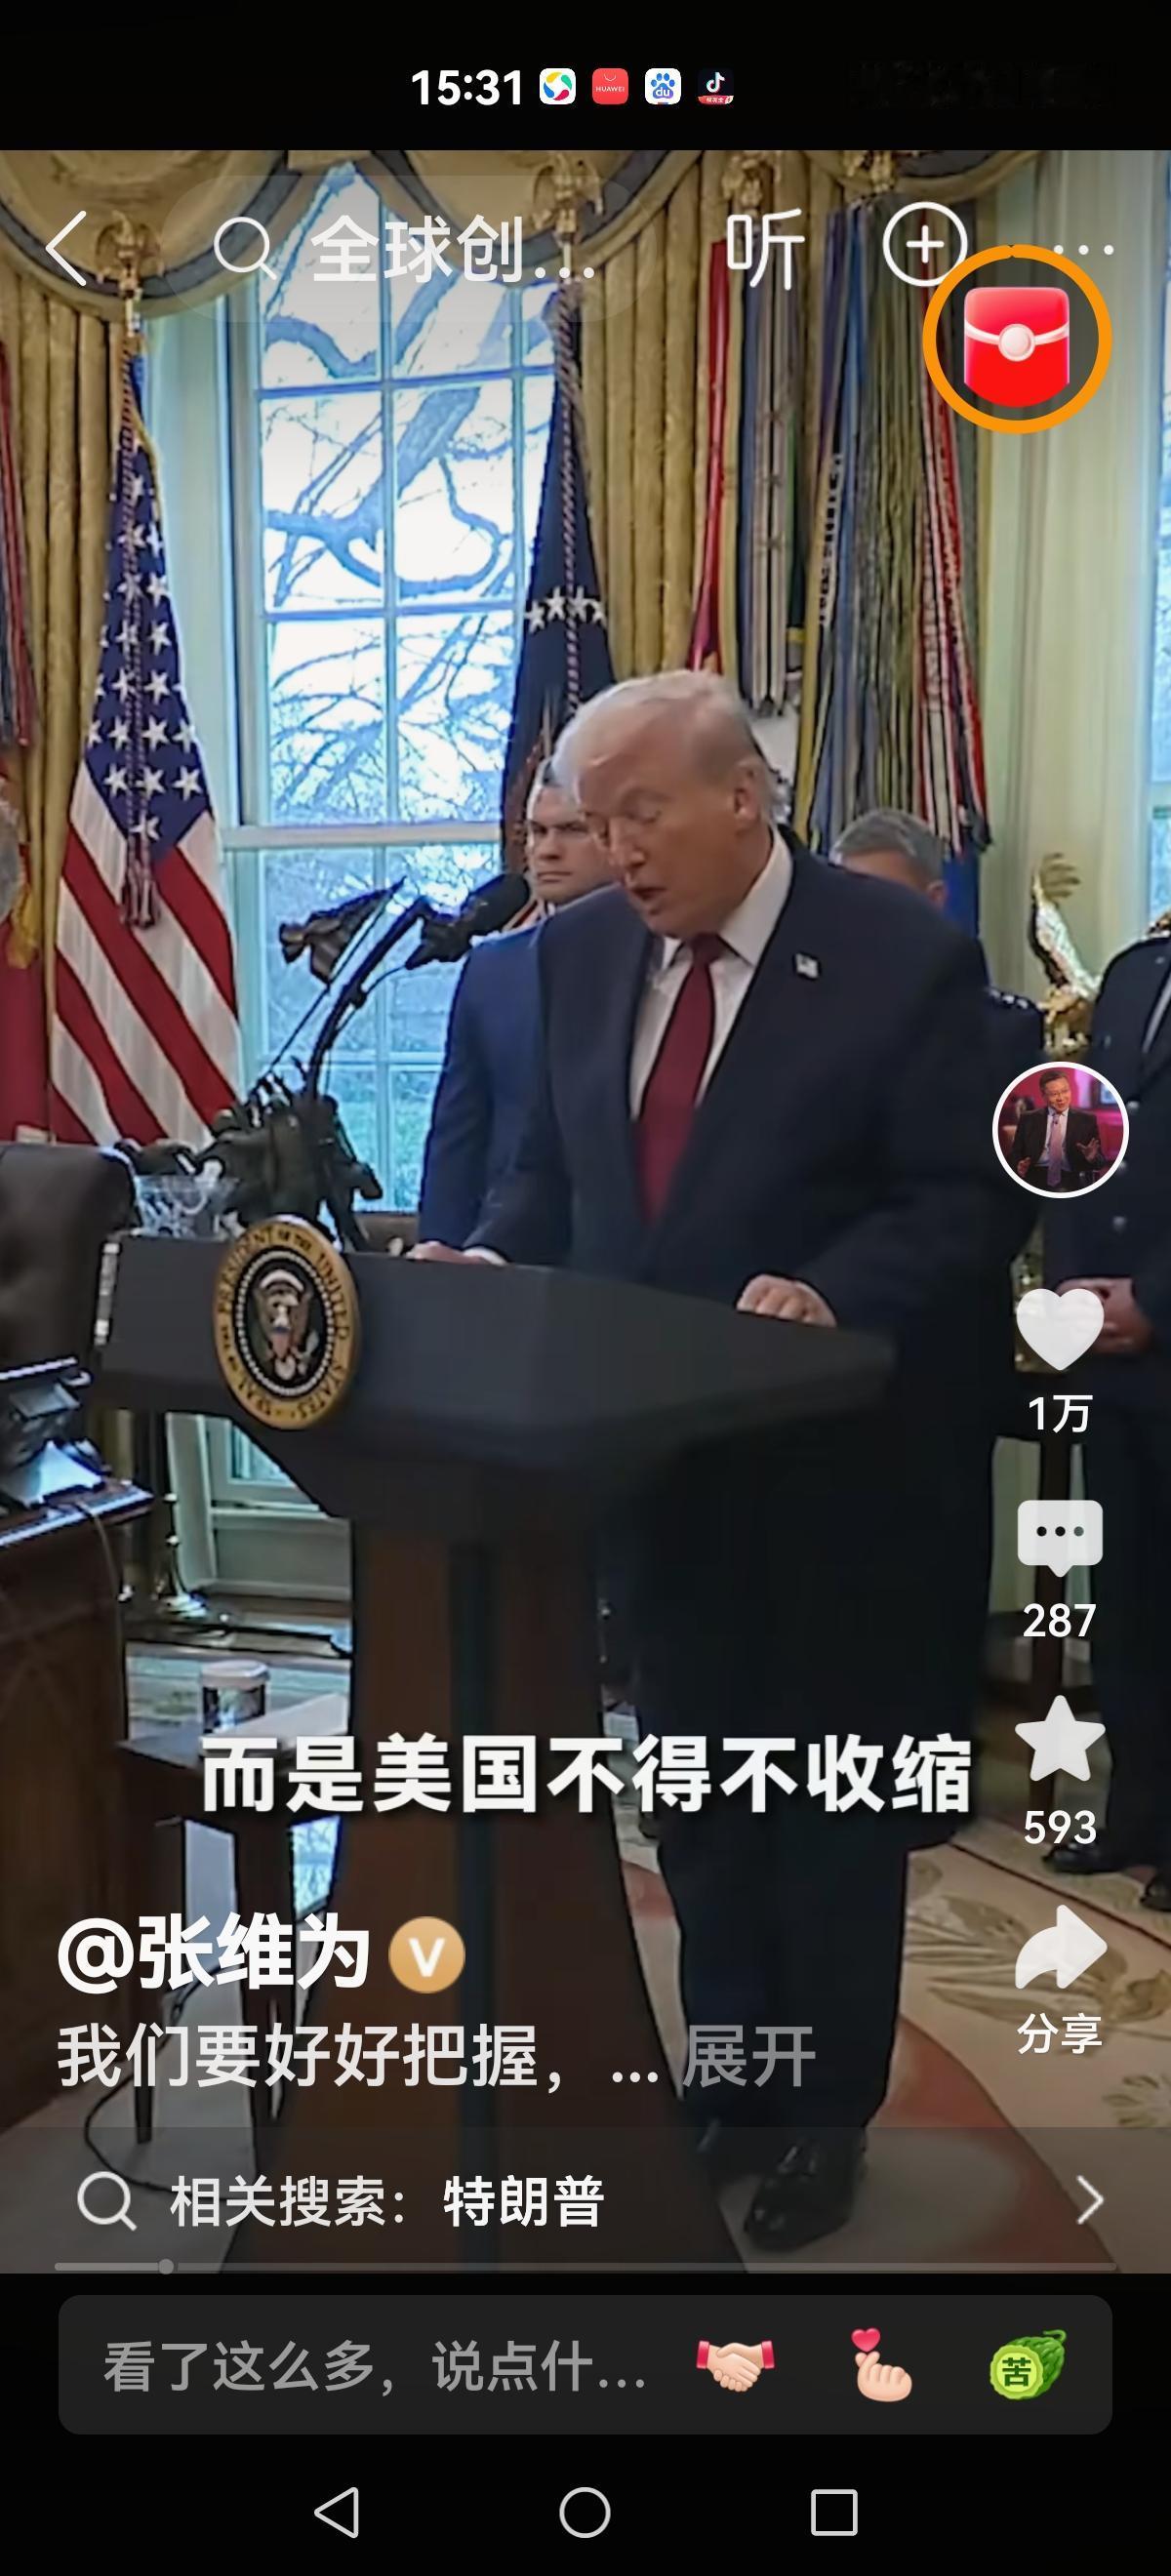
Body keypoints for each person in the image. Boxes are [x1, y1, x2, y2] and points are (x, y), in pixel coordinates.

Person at [413, 671, 1004, 2252]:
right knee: (699, 1799)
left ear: (743, 797)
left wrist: (831, 1292)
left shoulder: (902, 960)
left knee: (823, 1810)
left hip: (835, 1473)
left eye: (640, 813)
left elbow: (958, 1201)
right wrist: (491, 1261)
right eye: (593, 819)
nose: (614, 849)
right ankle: (735, 2073)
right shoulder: (580, 953)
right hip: (651, 1466)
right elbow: (553, 1183)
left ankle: (825, 2120)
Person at [1044, 921, 1171, 1912]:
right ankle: (1137, 1809)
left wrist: (1157, 1301)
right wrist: (1072, 1291)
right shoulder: (1135, 974)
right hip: (1116, 1354)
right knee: (1127, 1594)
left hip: (1159, 1319)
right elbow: (1082, 1142)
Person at [418, 763, 611, 1243]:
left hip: (619, 1253)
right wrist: (441, 1254)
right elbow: (457, 1136)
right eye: (537, 832)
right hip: (504, 1245)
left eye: (571, 831)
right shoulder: (491, 969)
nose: (547, 850)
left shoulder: (664, 959)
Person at [1013, 1066, 1103, 1189]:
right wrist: (1018, 1165)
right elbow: (1015, 1154)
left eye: (1065, 1091)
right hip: (1034, 1176)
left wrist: (1092, 1158)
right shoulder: (1028, 1119)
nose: (1061, 1098)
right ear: (1044, 1096)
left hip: (1073, 1178)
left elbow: (1100, 1162)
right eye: (1054, 1094)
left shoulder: (1087, 1120)